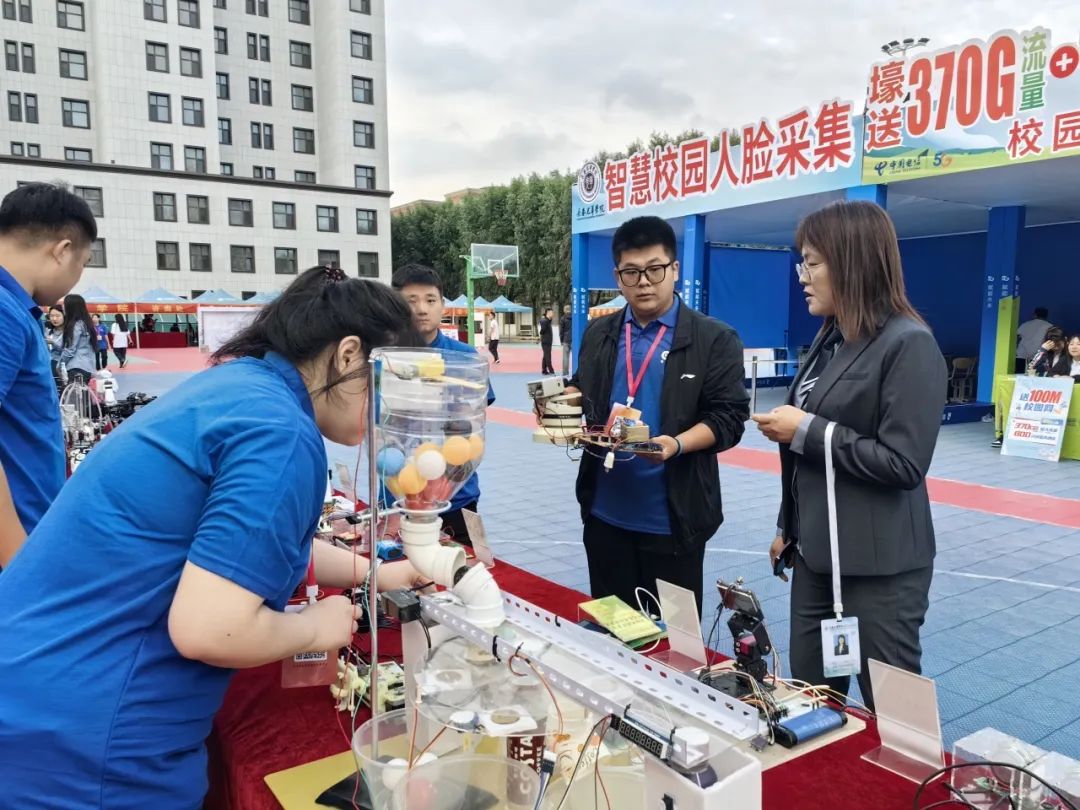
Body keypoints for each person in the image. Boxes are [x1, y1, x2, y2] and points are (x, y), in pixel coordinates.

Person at [0, 266, 429, 808]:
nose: (391, 412)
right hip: (91, 739)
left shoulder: (242, 387)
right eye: (390, 384)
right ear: (348, 355)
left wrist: (376, 573)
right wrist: (312, 629)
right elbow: (210, 629)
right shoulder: (281, 432)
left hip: (35, 684)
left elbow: (240, 547)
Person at [753, 200, 946, 710]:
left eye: (812, 263)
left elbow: (904, 464)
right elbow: (807, 457)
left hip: (880, 570)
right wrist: (789, 525)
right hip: (816, 557)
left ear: (851, 262)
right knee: (812, 700)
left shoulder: (908, 344)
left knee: (894, 710)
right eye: (803, 262)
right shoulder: (832, 336)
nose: (803, 276)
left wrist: (808, 428)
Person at [567, 216, 749, 614]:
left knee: (676, 640)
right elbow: (583, 386)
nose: (644, 282)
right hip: (604, 516)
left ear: (675, 269)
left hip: (673, 522)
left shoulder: (713, 339)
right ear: (617, 277)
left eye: (655, 269)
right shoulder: (599, 333)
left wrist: (676, 444)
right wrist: (559, 402)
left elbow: (729, 417)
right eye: (631, 272)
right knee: (613, 630)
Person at [0, 182, 96, 567]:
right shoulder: (4, 312)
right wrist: (17, 561)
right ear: (62, 250)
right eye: (82, 264)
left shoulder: (16, 309)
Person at [392, 264, 496, 543]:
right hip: (398, 493)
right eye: (410, 301)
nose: (421, 309)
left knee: (462, 564)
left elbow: (473, 419)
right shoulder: (385, 358)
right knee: (399, 567)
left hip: (456, 496)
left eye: (430, 300)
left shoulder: (465, 358)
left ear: (442, 305)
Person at [61, 293, 97, 385]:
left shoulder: (75, 325)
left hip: (76, 367)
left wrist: (60, 363)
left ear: (71, 307)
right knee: (83, 393)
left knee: (73, 393)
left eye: (64, 305)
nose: (63, 307)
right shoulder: (86, 324)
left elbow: (70, 350)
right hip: (87, 367)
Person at [1016, 307, 1053, 373]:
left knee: (1018, 376)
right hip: (1037, 358)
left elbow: (1017, 337)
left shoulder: (1025, 324)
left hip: (1021, 355)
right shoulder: (1050, 327)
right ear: (1046, 316)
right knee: (1033, 377)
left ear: (1035, 315)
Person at [45, 305, 66, 384]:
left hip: (63, 364)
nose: (54, 319)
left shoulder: (69, 331)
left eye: (57, 316)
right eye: (51, 316)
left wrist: (53, 343)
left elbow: (69, 350)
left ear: (64, 316)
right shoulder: (48, 331)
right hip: (49, 363)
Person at [539, 307, 555, 375]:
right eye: (551, 312)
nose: (553, 314)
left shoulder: (548, 320)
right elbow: (542, 331)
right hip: (545, 341)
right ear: (548, 313)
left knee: (545, 356)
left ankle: (544, 370)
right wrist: (541, 333)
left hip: (547, 341)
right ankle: (551, 370)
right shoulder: (545, 321)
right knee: (548, 356)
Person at [560, 304, 573, 376]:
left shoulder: (563, 318)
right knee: (576, 356)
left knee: (565, 357)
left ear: (564, 310)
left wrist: (561, 340)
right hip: (574, 339)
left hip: (566, 339)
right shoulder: (574, 317)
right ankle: (576, 371)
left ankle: (565, 373)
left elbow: (561, 331)